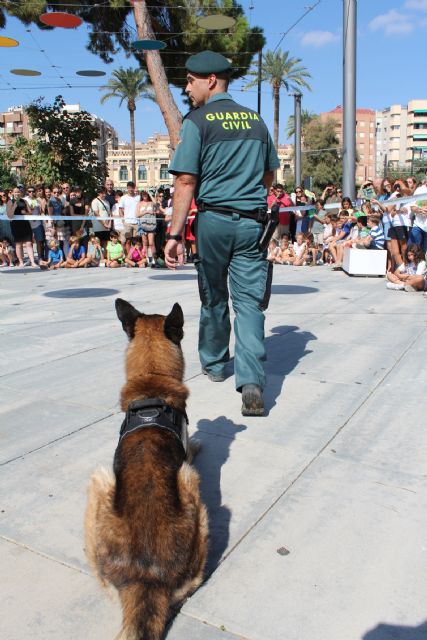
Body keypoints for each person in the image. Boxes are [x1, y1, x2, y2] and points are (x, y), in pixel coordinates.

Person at [166, 50, 280, 416]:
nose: (187, 88)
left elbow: (185, 180)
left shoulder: (197, 122)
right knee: (249, 303)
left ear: (210, 79)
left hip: (213, 221)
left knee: (214, 296)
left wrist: (174, 233)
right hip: (252, 223)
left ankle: (215, 364)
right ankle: (251, 382)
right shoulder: (257, 121)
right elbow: (269, 177)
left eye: (190, 80)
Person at [6, 186, 38, 268]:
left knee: (29, 243)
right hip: (16, 225)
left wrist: (26, 212)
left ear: (20, 193)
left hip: (25, 224)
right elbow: (9, 215)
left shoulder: (24, 201)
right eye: (15, 192)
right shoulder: (10, 202)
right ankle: (20, 262)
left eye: (18, 192)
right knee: (18, 244)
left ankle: (32, 261)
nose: (17, 193)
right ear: (12, 193)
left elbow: (29, 212)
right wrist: (15, 204)